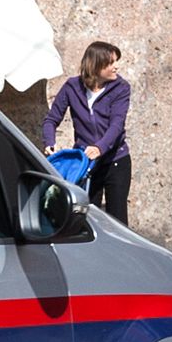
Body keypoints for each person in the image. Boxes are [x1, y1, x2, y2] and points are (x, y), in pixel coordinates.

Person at [42, 40, 133, 222]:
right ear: (96, 65)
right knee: (85, 217)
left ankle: (117, 251)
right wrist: (49, 142)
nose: (117, 67)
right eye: (111, 63)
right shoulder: (72, 87)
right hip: (87, 163)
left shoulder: (121, 88)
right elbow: (51, 119)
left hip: (115, 161)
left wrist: (100, 147)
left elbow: (116, 124)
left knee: (118, 219)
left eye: (116, 61)